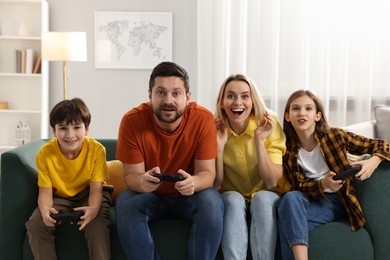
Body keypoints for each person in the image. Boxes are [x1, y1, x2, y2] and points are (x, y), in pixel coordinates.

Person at [115, 61, 224, 260]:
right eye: (161, 92)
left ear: (187, 97)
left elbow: (208, 175)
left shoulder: (203, 119)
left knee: (212, 203)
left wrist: (194, 182)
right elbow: (130, 176)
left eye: (176, 93)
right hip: (150, 196)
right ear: (150, 95)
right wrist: (141, 181)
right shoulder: (132, 121)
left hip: (189, 196)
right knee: (126, 202)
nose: (169, 101)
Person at [277, 89, 390, 260]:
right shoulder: (287, 148)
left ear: (317, 115)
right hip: (306, 200)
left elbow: (382, 144)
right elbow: (297, 185)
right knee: (290, 198)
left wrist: (373, 162)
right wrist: (323, 184)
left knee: (286, 222)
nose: (302, 113)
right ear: (287, 116)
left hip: (335, 200)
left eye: (308, 109)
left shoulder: (334, 136)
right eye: (295, 109)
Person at [25, 98, 112, 260]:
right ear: (54, 131)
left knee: (96, 226)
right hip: (59, 197)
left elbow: (96, 189)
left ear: (86, 129)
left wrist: (93, 210)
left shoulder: (97, 150)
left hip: (89, 194)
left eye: (77, 127)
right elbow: (45, 192)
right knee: (36, 225)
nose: (70, 135)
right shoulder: (44, 154)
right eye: (63, 128)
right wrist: (45, 211)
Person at [214, 74, 287, 260]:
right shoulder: (213, 129)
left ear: (252, 102)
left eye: (245, 96)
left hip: (267, 194)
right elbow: (215, 184)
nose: (238, 102)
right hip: (233, 195)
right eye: (230, 96)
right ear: (222, 102)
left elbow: (271, 182)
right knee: (231, 198)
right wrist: (219, 147)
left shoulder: (269, 125)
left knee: (262, 199)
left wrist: (259, 140)